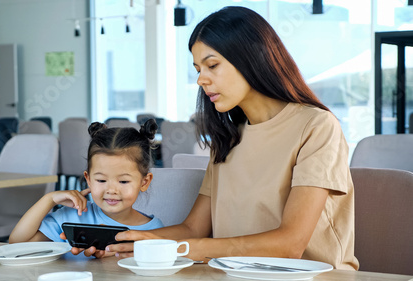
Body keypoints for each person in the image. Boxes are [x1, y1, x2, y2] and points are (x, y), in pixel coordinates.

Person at [104, 6, 359, 270]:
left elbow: (290, 244)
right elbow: (193, 228)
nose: (201, 79)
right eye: (198, 69)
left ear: (252, 58)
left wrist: (185, 249)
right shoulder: (227, 137)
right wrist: (131, 243)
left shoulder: (316, 126)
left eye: (212, 65)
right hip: (236, 274)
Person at [9, 119, 164, 258]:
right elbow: (17, 244)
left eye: (123, 181)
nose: (111, 190)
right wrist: (49, 199)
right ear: (88, 179)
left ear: (144, 182)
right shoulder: (74, 217)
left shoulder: (153, 231)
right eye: (101, 180)